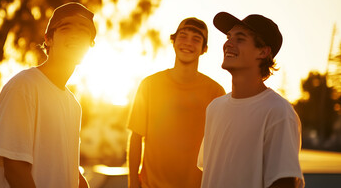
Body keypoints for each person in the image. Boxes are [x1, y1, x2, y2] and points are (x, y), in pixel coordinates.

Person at [0, 2, 95, 188]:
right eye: (66, 28)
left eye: (84, 31)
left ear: (89, 45)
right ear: (48, 39)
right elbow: (15, 168)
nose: (76, 35)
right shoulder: (24, 87)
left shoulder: (73, 105)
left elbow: (68, 170)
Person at [198, 12, 304, 188]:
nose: (227, 44)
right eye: (228, 37)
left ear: (263, 51)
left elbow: (284, 182)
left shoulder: (278, 112)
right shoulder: (214, 108)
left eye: (239, 39)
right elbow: (208, 173)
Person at [127, 17, 225, 188]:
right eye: (183, 36)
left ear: (204, 49)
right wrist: (133, 183)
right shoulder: (149, 85)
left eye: (196, 39)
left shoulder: (215, 92)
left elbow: (221, 149)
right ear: (173, 41)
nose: (188, 43)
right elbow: (136, 138)